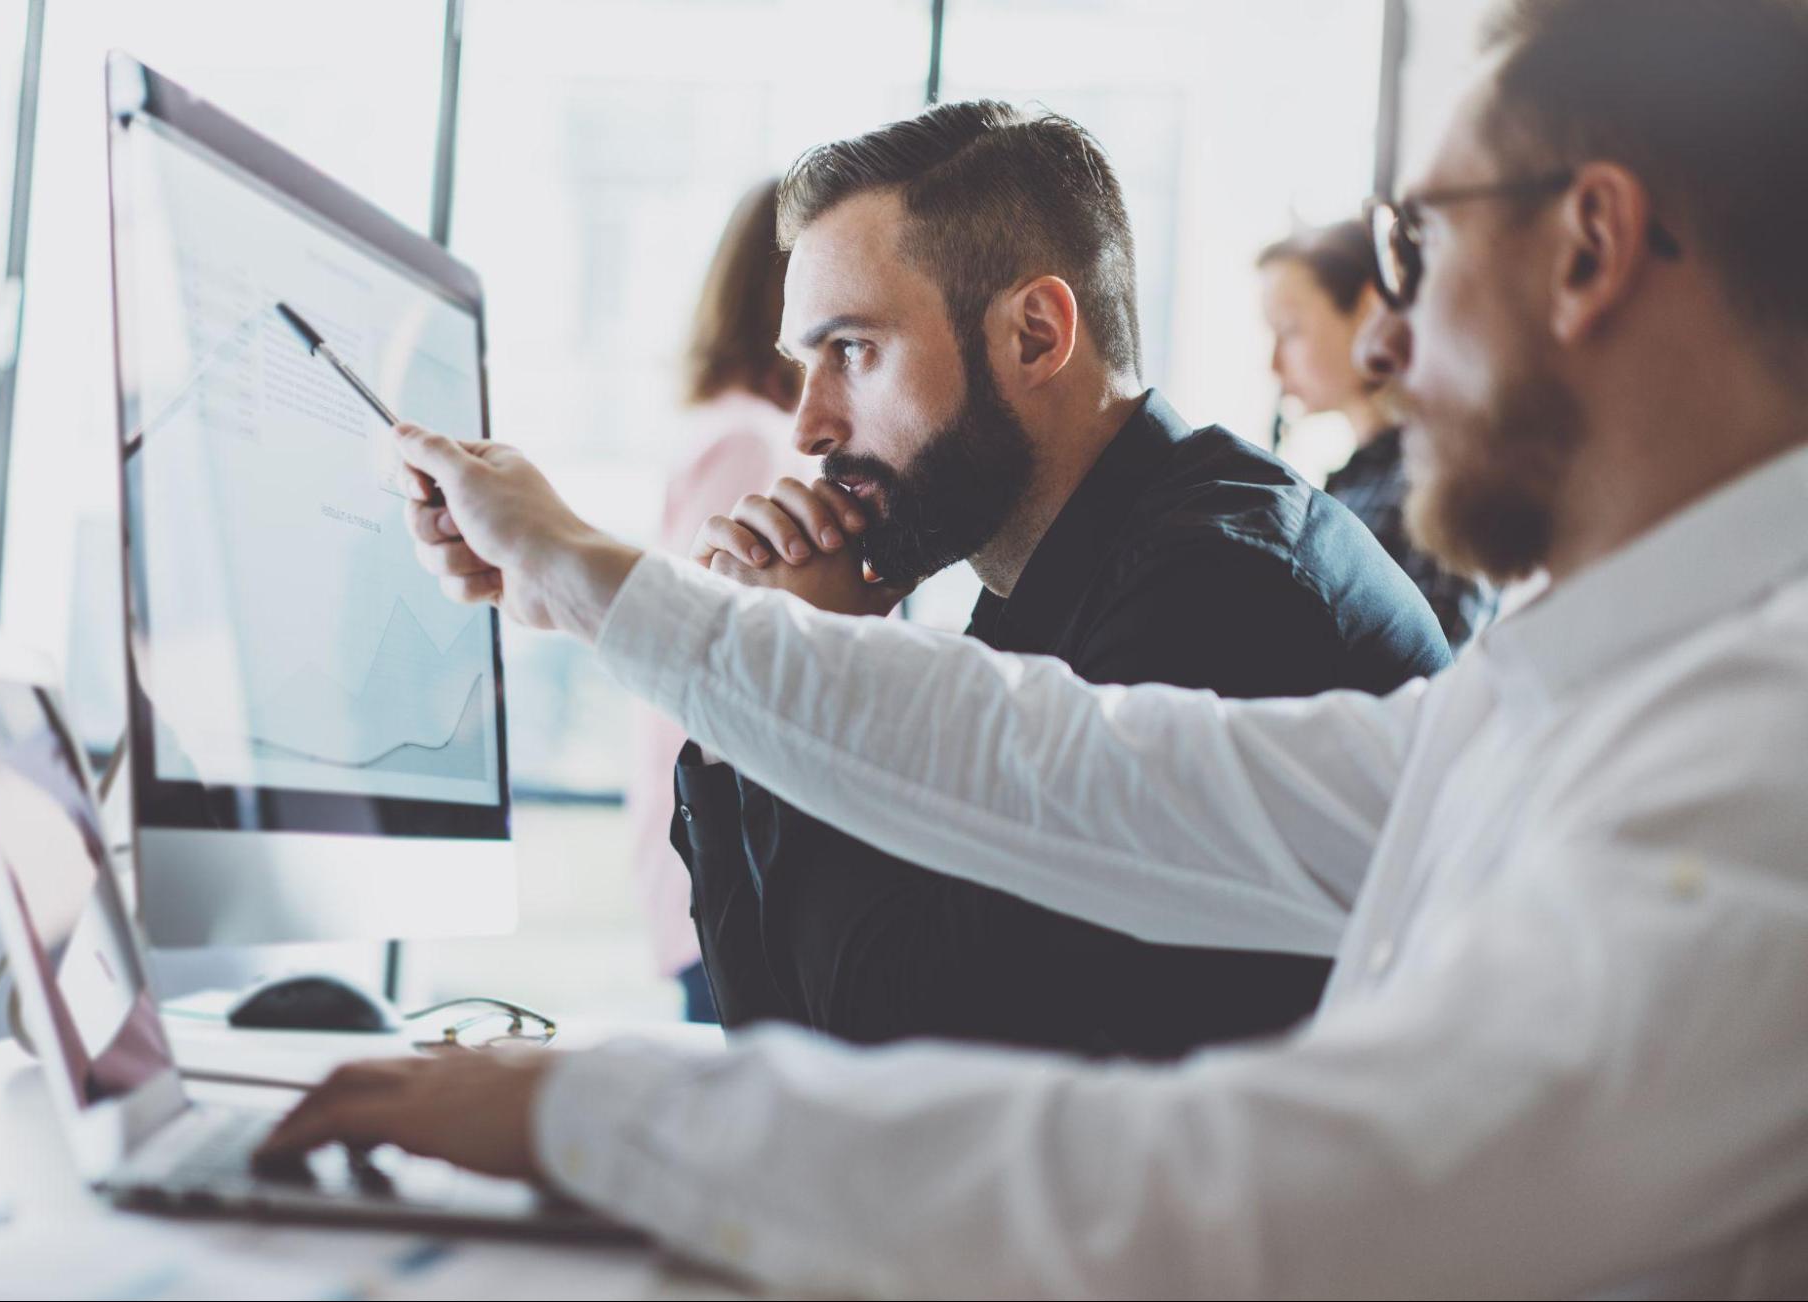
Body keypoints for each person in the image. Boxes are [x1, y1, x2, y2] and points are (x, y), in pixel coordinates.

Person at [260, 2, 1808, 1294]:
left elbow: (1249, 1194)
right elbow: (1069, 766)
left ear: (1589, 245)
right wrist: (600, 584)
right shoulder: (1565, 689)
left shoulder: (1751, 763)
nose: (1379, 344)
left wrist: (599, 1109)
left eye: (1415, 245)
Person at [667, 104, 1445, 1058]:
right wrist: (735, 707)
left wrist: (820, 671)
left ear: (1034, 335)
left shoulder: (1221, 594)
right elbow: (775, 1044)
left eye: (855, 351)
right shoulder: (1043, 584)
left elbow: (915, 1065)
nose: (810, 427)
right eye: (804, 363)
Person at [625, 179, 809, 1022]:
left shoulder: (733, 428)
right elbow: (708, 649)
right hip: (730, 855)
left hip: (713, 851)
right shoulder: (751, 441)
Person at [1259, 219, 1498, 648]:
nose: (1274, 365)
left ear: (1369, 308)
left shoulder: (1431, 485)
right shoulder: (1354, 483)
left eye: (1290, 331)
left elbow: (1433, 672)